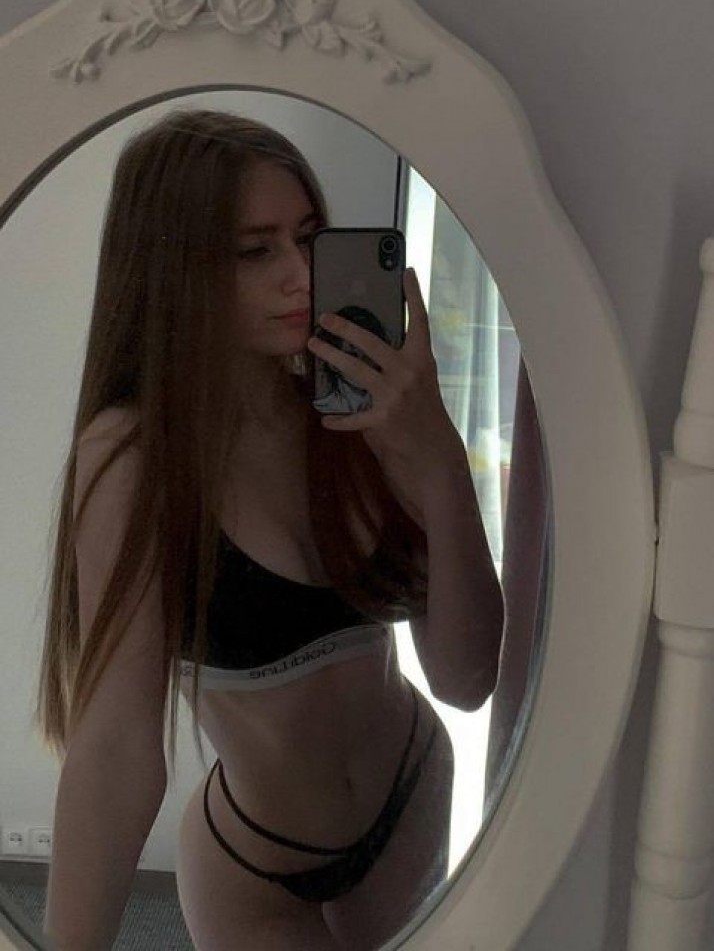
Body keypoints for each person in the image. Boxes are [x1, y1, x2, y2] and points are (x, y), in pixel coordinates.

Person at [35, 109, 504, 951]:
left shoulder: (360, 416)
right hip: (257, 865)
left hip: (413, 794)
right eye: (255, 251)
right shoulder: (136, 459)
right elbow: (115, 744)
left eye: (310, 237)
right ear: (171, 269)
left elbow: (467, 678)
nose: (301, 275)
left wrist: (439, 461)